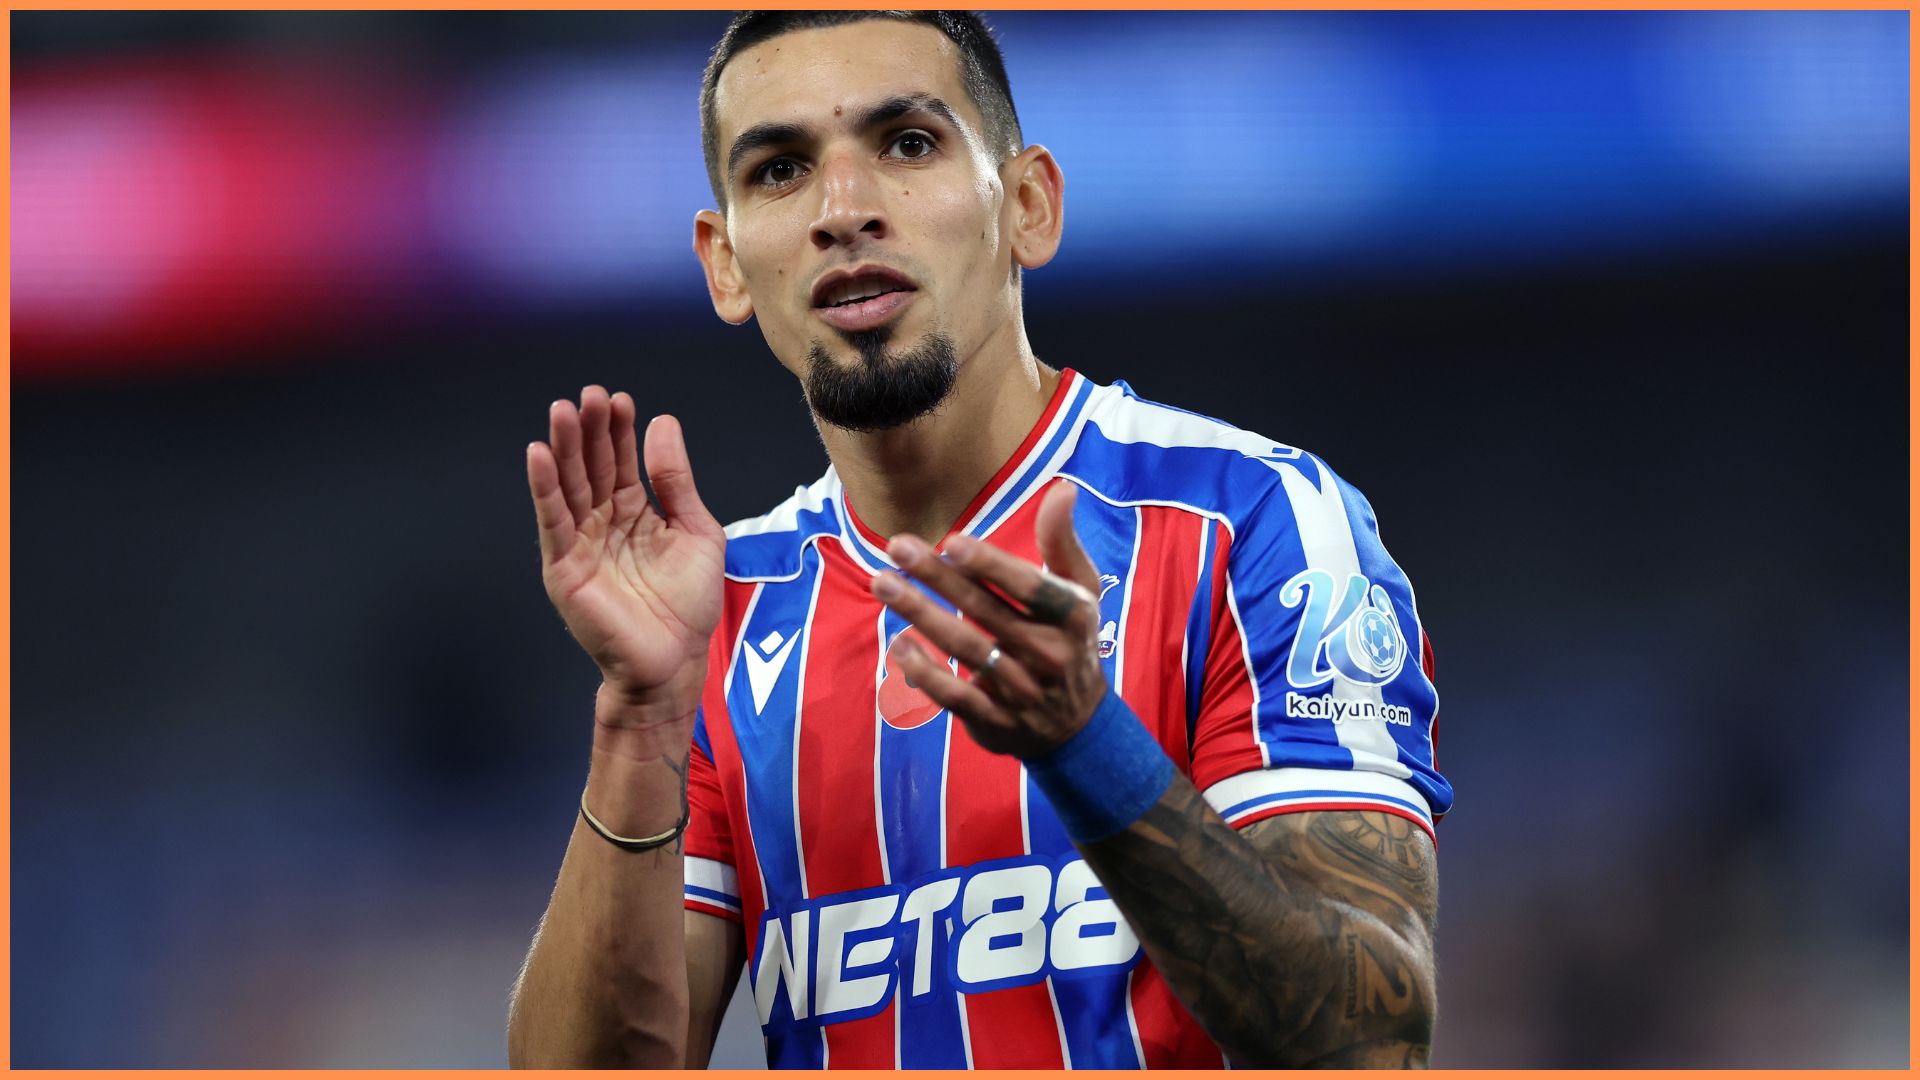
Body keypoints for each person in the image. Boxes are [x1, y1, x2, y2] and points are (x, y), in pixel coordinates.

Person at [506, 10, 1450, 1070]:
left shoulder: (1254, 527)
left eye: (909, 144)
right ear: (725, 265)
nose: (844, 210)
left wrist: (1086, 745)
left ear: (1030, 207)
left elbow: (1371, 1040)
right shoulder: (720, 618)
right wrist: (637, 727)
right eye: (779, 170)